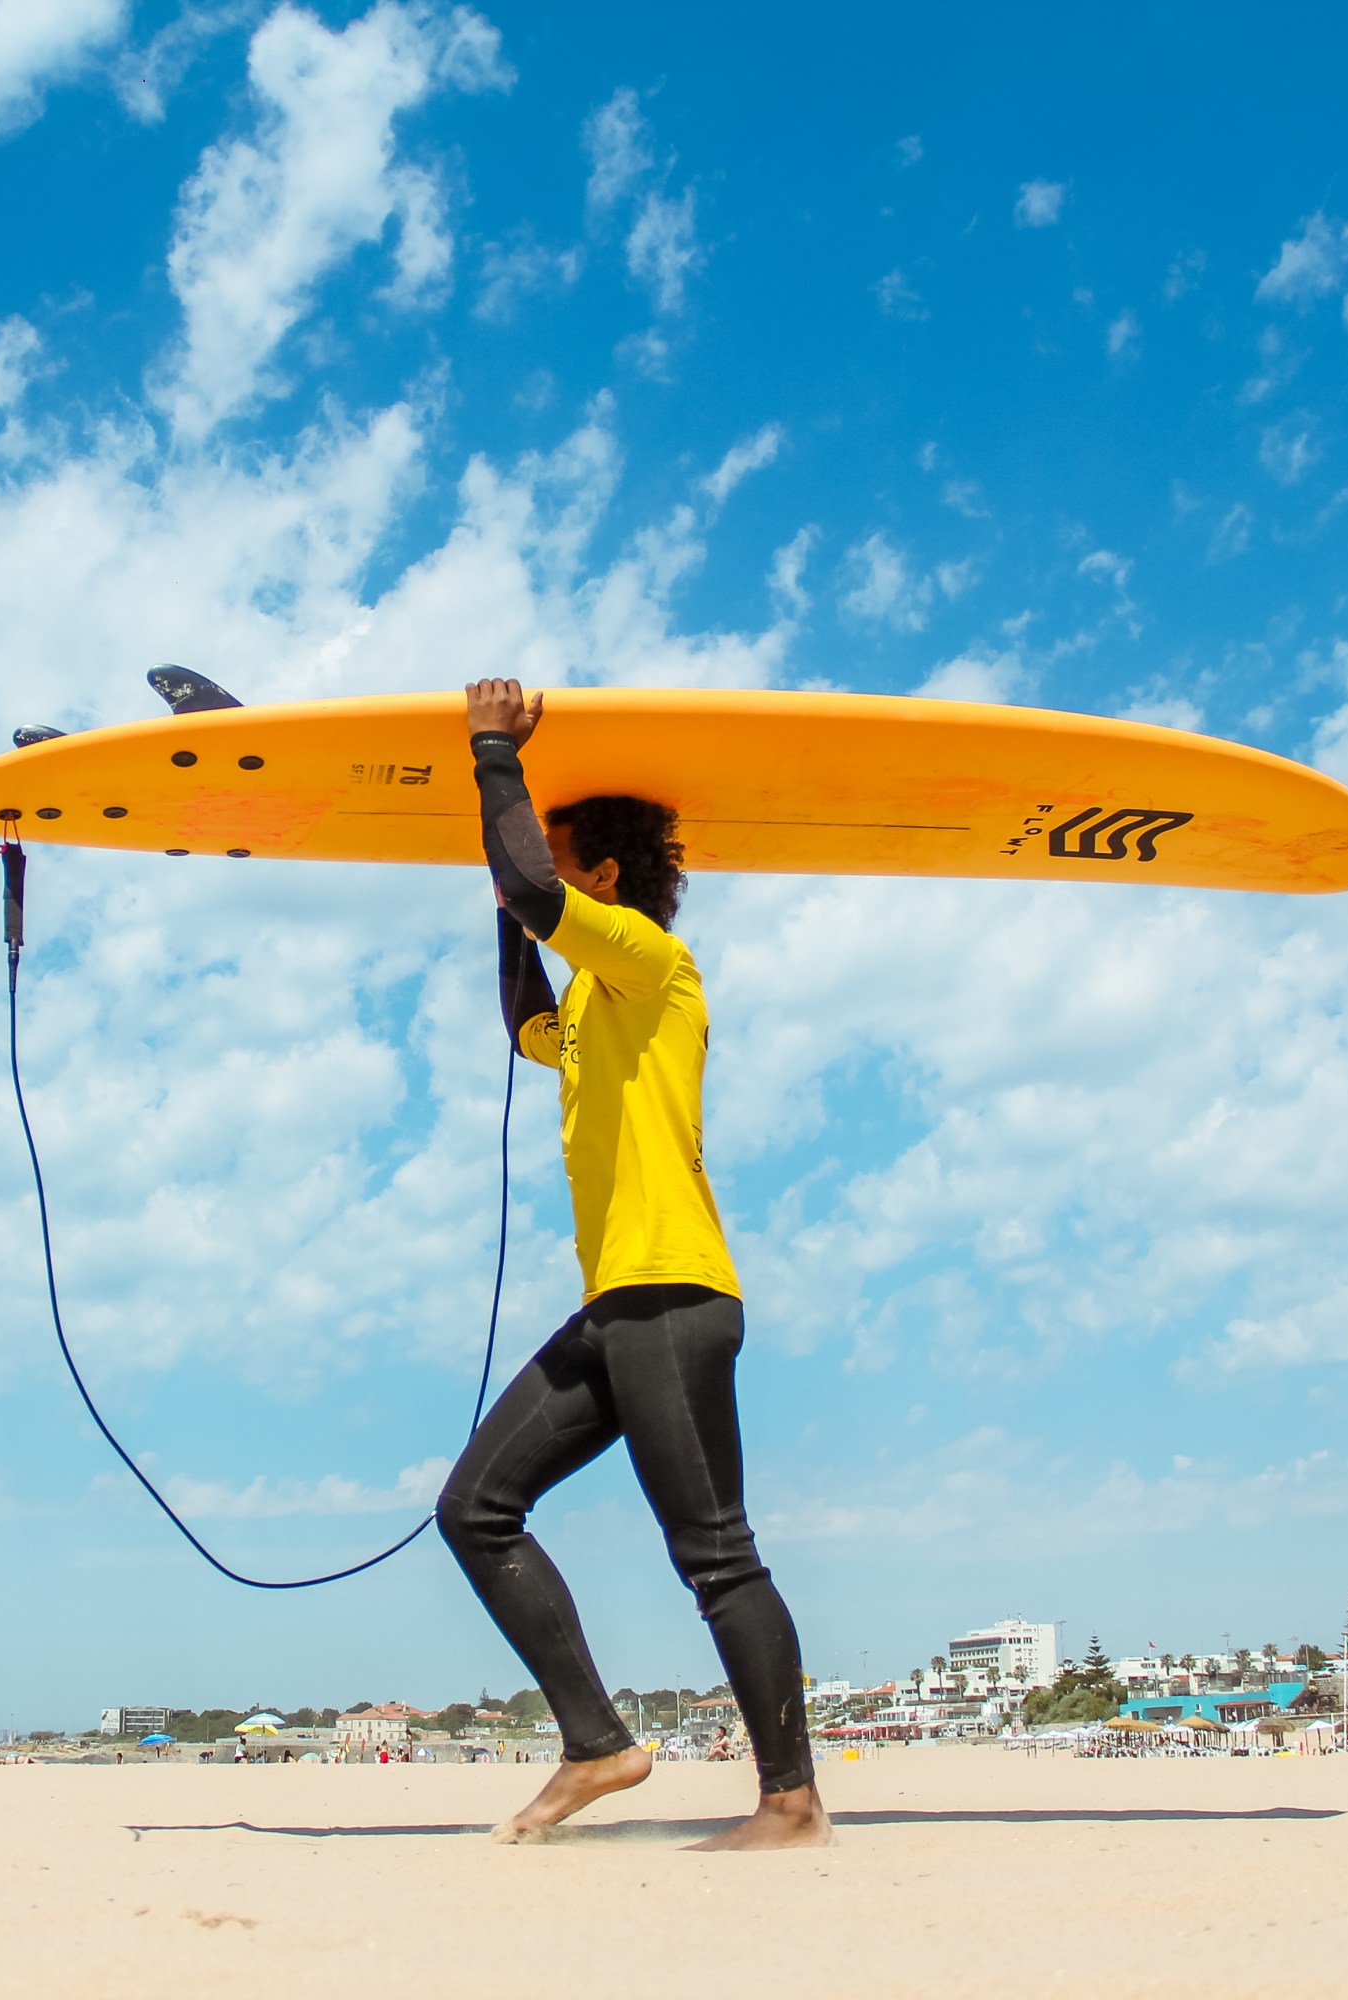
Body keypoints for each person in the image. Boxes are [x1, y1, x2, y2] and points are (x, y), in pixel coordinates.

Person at [436, 678, 829, 1853]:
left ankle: (793, 1800)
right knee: (476, 1507)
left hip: (676, 1295)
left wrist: (494, 751)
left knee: (715, 1555)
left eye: (558, 863)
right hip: (617, 1310)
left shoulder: (656, 964)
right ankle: (597, 1742)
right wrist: (507, 910)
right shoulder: (596, 1009)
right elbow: (523, 1018)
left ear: (601, 878)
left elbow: (532, 887)